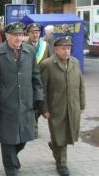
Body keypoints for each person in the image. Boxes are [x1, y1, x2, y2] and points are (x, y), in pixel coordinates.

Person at [0, 22, 44, 176]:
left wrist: (39, 95)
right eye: (15, 35)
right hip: (5, 103)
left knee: (24, 136)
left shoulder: (29, 51)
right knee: (8, 138)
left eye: (20, 35)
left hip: (26, 102)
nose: (19, 38)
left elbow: (36, 76)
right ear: (7, 36)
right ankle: (10, 168)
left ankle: (12, 159)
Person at [40, 36, 85, 176]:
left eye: (69, 48)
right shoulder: (47, 64)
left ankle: (54, 146)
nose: (67, 52)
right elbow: (42, 89)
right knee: (60, 136)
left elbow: (81, 85)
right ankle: (62, 165)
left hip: (73, 107)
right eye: (63, 49)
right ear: (56, 50)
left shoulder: (75, 63)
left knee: (67, 134)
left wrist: (82, 104)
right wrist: (44, 109)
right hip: (56, 108)